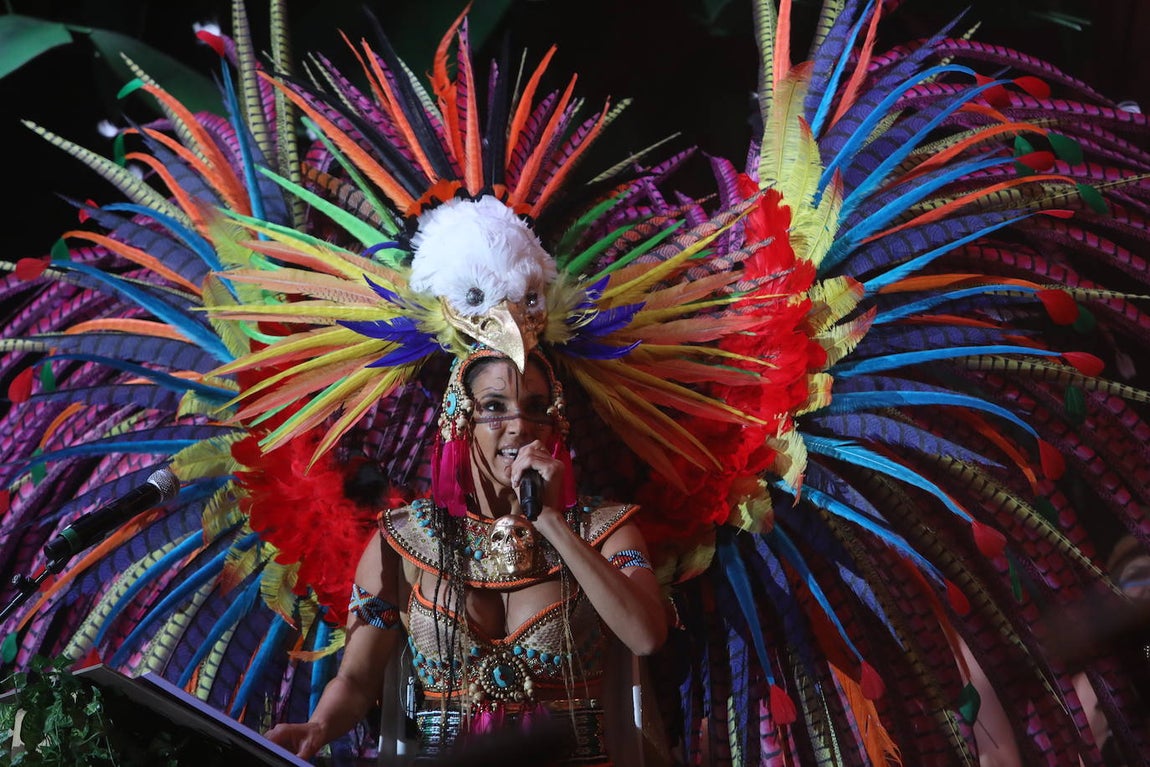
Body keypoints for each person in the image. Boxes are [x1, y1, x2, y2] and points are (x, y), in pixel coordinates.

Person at [266, 346, 669, 765]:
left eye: (536, 408)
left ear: (555, 425)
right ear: (460, 419)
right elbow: (356, 679)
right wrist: (318, 726)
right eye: (495, 406)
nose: (519, 427)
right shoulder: (404, 540)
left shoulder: (603, 529)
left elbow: (645, 635)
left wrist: (551, 521)